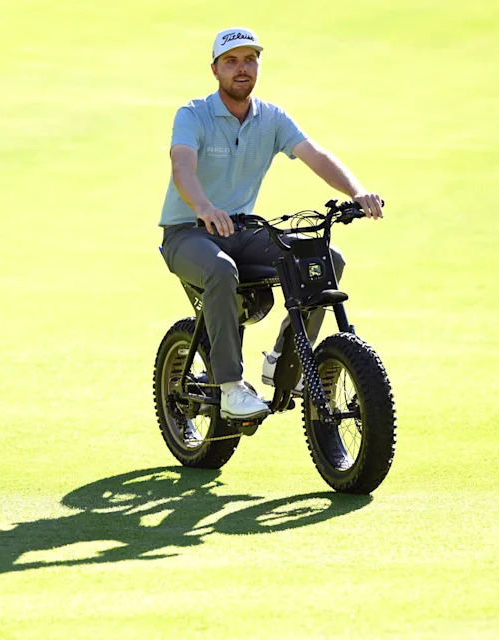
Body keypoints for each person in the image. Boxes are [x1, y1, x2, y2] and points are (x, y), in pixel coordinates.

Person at [159, 27, 384, 420]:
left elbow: (316, 155)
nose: (241, 68)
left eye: (250, 60)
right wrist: (204, 207)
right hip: (187, 233)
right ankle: (230, 388)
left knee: (325, 258)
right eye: (231, 61)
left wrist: (357, 191)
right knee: (220, 270)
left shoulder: (272, 118)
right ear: (215, 70)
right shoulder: (193, 114)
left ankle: (285, 359)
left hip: (241, 230)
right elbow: (182, 167)